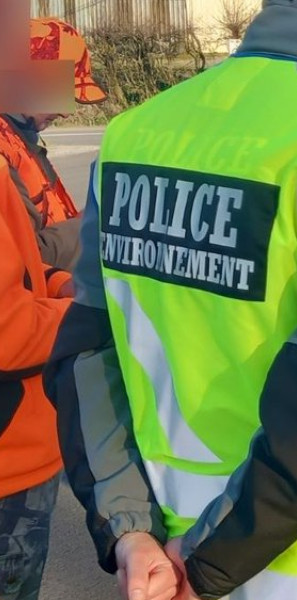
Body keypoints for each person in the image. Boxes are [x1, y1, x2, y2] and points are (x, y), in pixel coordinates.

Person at [43, 0, 297, 598]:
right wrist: (207, 559)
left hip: (158, 566)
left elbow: (87, 353)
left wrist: (131, 531)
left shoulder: (133, 136)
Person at [0, 17, 104, 600]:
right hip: (12, 448)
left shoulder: (21, 144)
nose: (65, 110)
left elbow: (23, 264)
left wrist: (60, 280)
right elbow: (8, 324)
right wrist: (84, 236)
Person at [3, 18, 106, 273]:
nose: (66, 113)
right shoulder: (5, 152)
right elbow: (28, 256)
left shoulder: (19, 138)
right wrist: (94, 224)